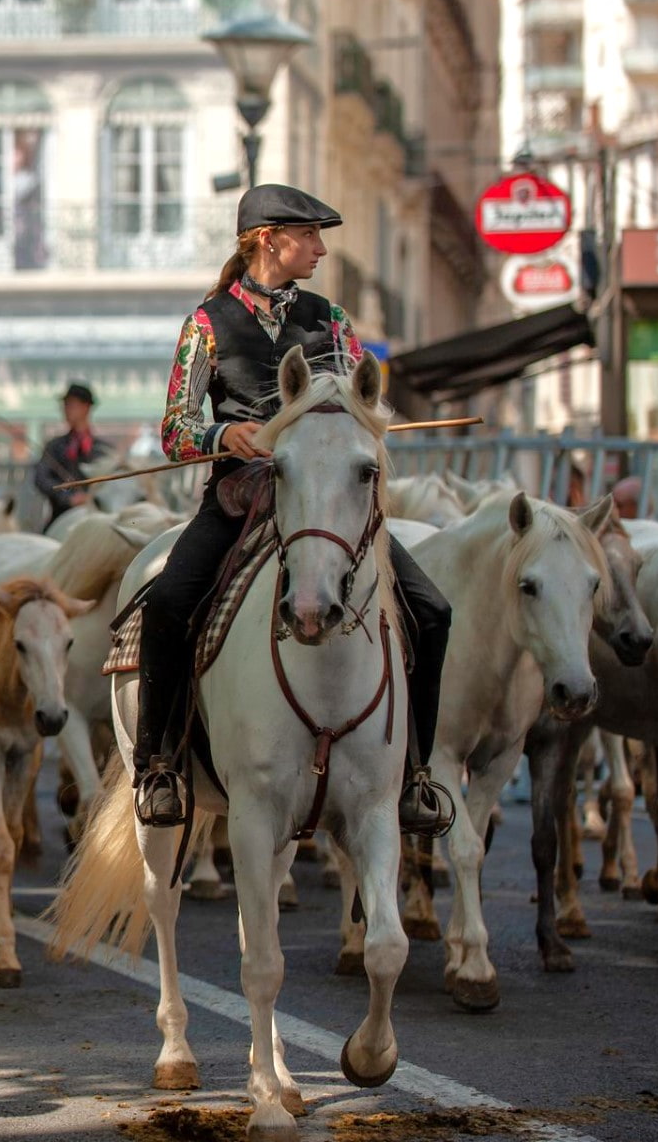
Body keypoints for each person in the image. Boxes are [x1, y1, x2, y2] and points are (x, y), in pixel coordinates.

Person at [133, 182, 452, 834]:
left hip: (328, 504)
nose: (321, 249)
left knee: (433, 610)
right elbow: (174, 429)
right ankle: (158, 765)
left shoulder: (331, 320)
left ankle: (417, 774)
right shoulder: (205, 325)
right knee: (167, 604)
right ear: (268, 240)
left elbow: (367, 408)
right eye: (308, 235)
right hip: (239, 501)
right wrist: (224, 436)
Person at [34, 382, 112, 527]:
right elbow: (41, 479)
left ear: (86, 407)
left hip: (98, 518)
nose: (66, 410)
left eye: (71, 405)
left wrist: (91, 498)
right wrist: (68, 497)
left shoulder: (103, 450)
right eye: (65, 406)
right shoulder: (54, 446)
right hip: (61, 517)